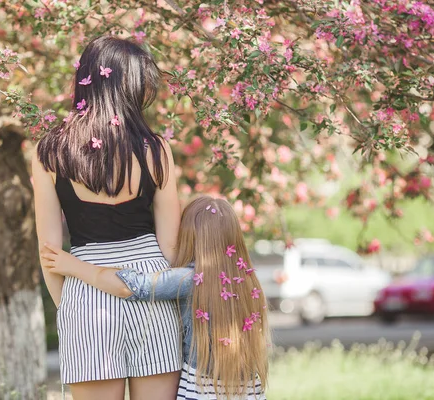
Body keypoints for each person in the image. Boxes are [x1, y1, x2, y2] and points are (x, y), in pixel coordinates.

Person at [31, 36, 182, 400]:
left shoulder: (49, 152)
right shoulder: (155, 150)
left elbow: (49, 252)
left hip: (84, 292)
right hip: (151, 291)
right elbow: (172, 248)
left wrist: (71, 304)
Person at [41, 196, 270, 400]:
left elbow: (131, 286)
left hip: (198, 392)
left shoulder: (189, 279)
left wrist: (74, 267)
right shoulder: (248, 282)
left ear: (189, 235)